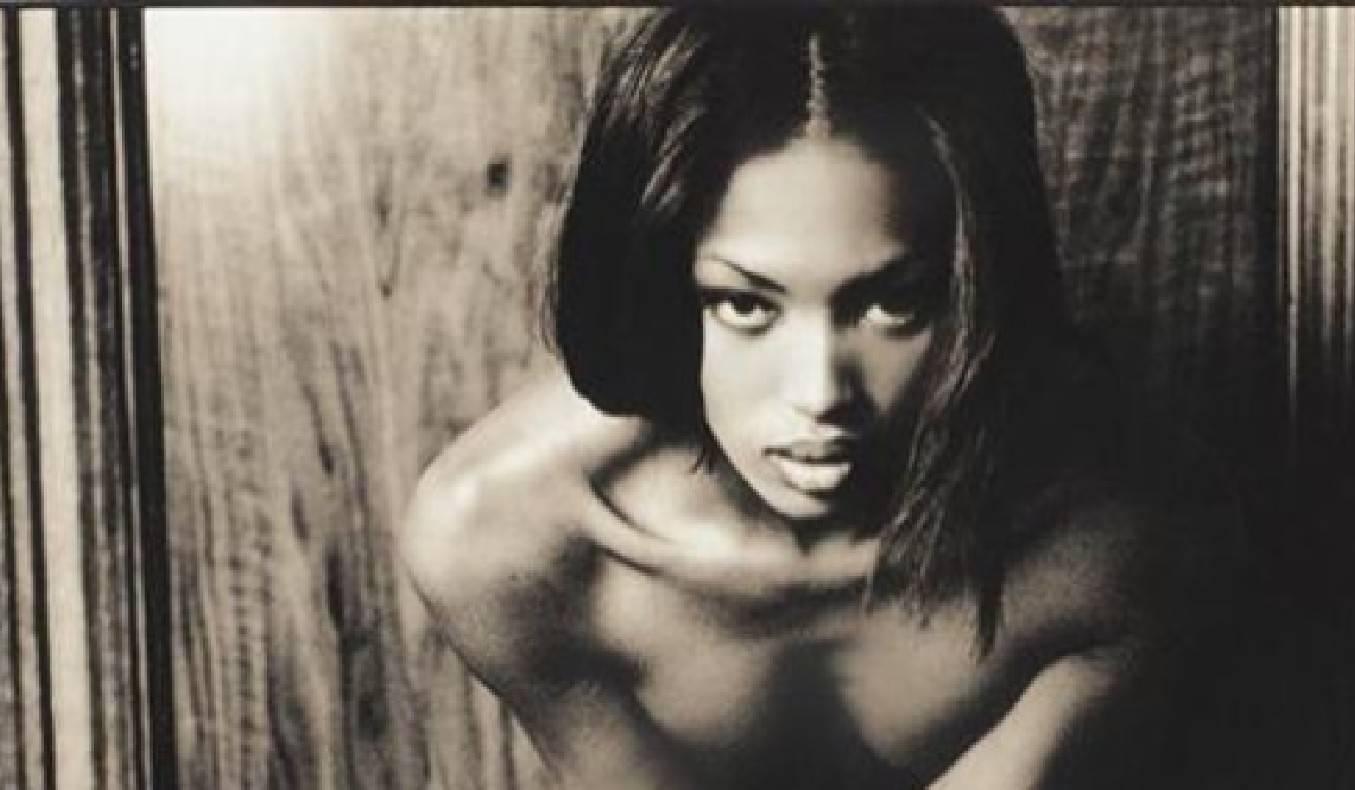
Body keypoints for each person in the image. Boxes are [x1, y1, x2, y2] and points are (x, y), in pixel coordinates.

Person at [403, 8, 1241, 788]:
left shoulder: (1125, 537)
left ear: (975, 283)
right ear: (660, 283)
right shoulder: (507, 542)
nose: (820, 394)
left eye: (893, 302)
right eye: (744, 304)